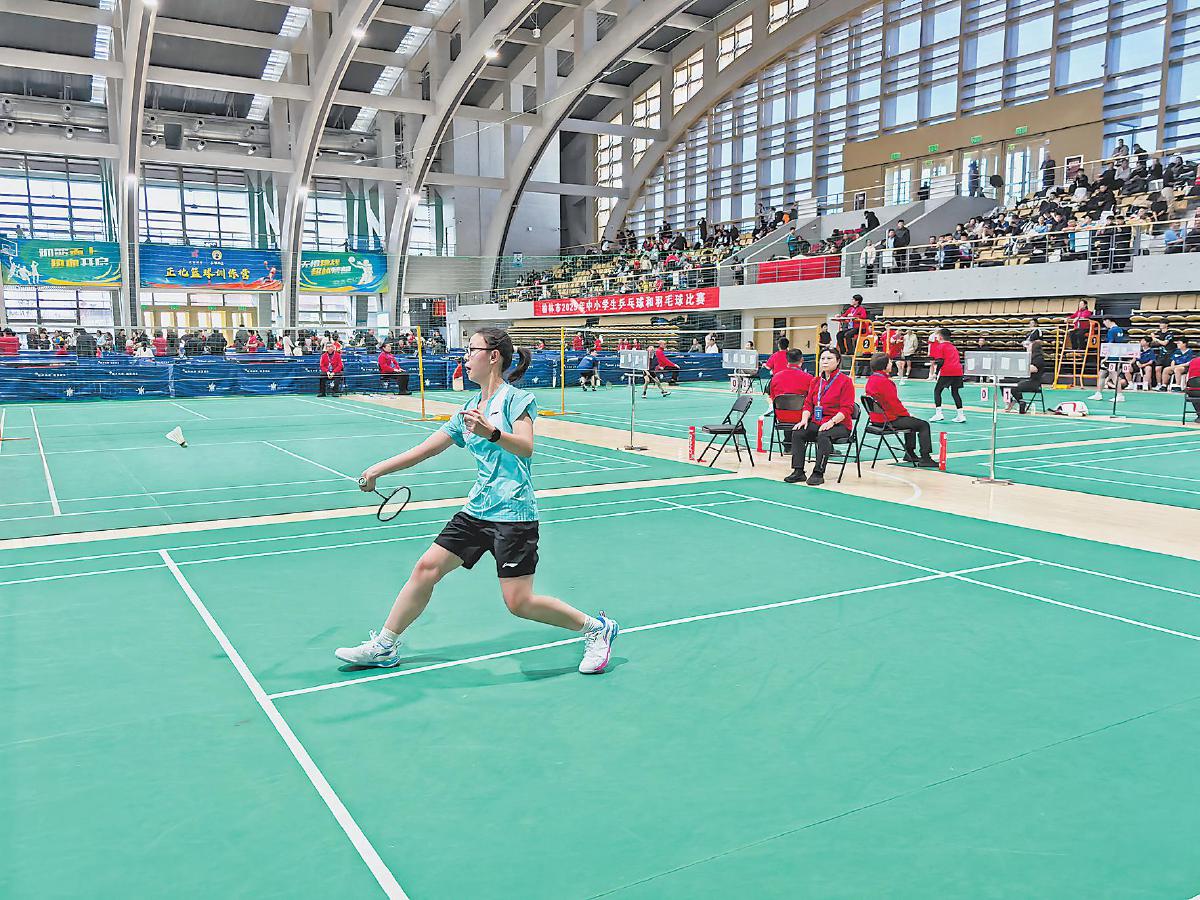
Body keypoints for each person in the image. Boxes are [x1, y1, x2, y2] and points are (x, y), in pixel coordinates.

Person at [336, 327, 619, 673]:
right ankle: (385, 645)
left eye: (472, 350)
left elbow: (526, 447)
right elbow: (426, 449)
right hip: (476, 510)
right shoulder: (468, 409)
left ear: (493, 356)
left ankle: (597, 628)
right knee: (426, 568)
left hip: (513, 513)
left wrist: (493, 433)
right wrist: (377, 470)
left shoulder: (517, 400)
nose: (466, 357)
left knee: (519, 602)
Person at [783, 348, 855, 487]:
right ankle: (798, 471)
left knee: (823, 434)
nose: (825, 361)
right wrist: (804, 419)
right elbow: (808, 403)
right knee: (798, 432)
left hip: (839, 424)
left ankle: (818, 472)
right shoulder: (815, 381)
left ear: (838, 361)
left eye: (829, 358)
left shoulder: (845, 381)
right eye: (822, 359)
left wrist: (831, 422)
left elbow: (847, 409)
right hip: (818, 421)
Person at [865, 353, 938, 466]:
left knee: (911, 422)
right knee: (923, 425)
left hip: (875, 419)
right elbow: (894, 404)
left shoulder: (871, 379)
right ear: (884, 366)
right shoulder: (885, 382)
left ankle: (910, 453)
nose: (891, 364)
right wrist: (907, 415)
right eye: (890, 362)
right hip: (888, 420)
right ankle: (925, 457)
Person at [928, 328, 966, 423]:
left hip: (947, 371)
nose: (936, 337)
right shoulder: (953, 347)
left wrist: (936, 373)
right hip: (958, 371)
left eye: (937, 335)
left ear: (940, 337)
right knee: (955, 392)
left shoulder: (940, 346)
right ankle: (961, 415)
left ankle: (939, 414)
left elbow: (940, 361)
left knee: (937, 391)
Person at [1090, 317, 1128, 401]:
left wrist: (1105, 357)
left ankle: (1120, 395)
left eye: (1104, 322)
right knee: (1102, 374)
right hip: (1118, 354)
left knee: (1114, 375)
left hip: (1112, 356)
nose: (1104, 324)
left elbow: (1110, 345)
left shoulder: (1111, 331)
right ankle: (1098, 394)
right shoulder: (1120, 330)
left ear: (1108, 321)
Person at [1007, 340, 1048, 414]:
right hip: (1026, 379)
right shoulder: (1029, 356)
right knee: (1005, 382)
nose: (1027, 347)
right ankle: (1013, 401)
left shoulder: (1039, 358)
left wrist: (1022, 366)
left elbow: (1034, 369)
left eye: (1029, 346)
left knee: (1014, 387)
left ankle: (1021, 403)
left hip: (1034, 382)